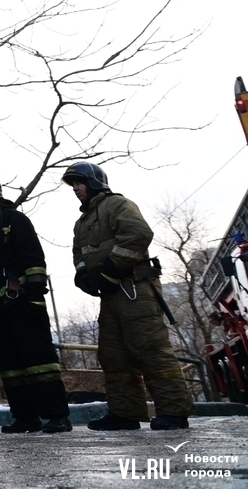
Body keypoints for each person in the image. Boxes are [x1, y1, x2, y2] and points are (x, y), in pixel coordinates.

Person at [63, 162, 193, 431]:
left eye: (79, 183)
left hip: (135, 290)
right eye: (73, 185)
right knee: (113, 356)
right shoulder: (81, 222)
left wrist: (110, 271)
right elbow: (79, 254)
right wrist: (83, 276)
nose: (75, 189)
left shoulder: (118, 205)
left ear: (94, 181)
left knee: (150, 349)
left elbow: (138, 235)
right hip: (110, 296)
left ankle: (173, 412)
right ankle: (124, 413)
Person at [0, 171, 71, 434]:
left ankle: (56, 416)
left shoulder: (15, 220)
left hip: (21, 301)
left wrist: (35, 297)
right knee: (9, 365)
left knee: (39, 360)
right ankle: (25, 417)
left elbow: (34, 258)